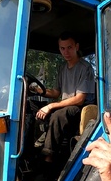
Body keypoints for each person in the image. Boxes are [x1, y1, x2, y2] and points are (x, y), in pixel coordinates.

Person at [34, 31, 95, 167]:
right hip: (65, 106)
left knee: (58, 115)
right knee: (32, 107)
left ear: (76, 47)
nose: (65, 52)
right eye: (62, 48)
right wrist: (38, 90)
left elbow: (79, 99)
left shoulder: (85, 68)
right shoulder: (62, 68)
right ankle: (32, 149)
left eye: (69, 47)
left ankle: (48, 160)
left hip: (80, 108)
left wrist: (50, 106)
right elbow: (56, 92)